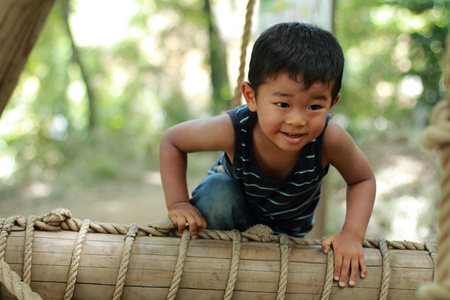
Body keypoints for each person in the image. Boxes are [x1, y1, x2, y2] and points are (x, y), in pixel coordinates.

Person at [159, 22, 376, 288]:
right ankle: (210, 276)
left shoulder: (329, 139)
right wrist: (178, 203)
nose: (297, 120)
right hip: (225, 224)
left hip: (287, 239)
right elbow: (172, 140)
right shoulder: (235, 129)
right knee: (217, 190)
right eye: (283, 104)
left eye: (314, 106)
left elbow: (362, 179)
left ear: (332, 102)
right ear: (251, 96)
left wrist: (352, 234)